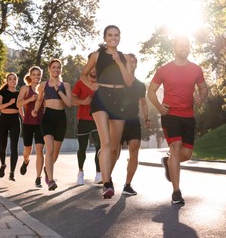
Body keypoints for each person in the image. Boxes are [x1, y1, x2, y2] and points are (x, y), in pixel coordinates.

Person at [147, 36, 208, 205]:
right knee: (176, 147)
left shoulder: (196, 69)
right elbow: (151, 91)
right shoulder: (164, 70)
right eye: (181, 45)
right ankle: (176, 192)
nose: (184, 48)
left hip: (188, 116)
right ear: (174, 48)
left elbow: (203, 88)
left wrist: (201, 97)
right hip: (170, 115)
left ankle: (168, 162)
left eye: (187, 45)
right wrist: (159, 107)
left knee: (186, 155)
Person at [80, 25, 134, 199]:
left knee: (114, 148)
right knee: (106, 142)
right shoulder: (97, 56)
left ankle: (106, 174)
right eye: (110, 35)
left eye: (116, 35)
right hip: (101, 97)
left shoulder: (125, 57)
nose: (113, 38)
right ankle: (107, 183)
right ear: (105, 38)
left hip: (119, 100)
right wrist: (90, 85)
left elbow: (129, 82)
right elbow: (83, 74)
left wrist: (119, 62)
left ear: (120, 37)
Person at [32, 59, 72, 191]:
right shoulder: (43, 85)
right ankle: (51, 180)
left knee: (55, 152)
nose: (56, 69)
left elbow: (69, 103)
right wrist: (35, 110)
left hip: (60, 119)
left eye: (58, 67)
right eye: (53, 67)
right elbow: (39, 100)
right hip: (47, 117)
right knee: (49, 149)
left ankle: (46, 169)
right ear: (49, 69)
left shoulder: (65, 85)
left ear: (61, 69)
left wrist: (58, 91)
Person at [117, 53, 151, 196]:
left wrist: (147, 118)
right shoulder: (118, 81)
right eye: (129, 61)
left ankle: (127, 184)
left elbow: (143, 103)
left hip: (133, 120)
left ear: (136, 64)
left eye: (134, 61)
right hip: (117, 120)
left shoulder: (139, 85)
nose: (132, 63)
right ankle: (106, 177)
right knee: (114, 153)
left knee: (134, 151)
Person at [72, 66, 102, 185]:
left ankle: (99, 173)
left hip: (97, 119)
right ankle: (80, 172)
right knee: (82, 147)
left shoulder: (102, 83)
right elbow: (72, 100)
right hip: (83, 119)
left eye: (96, 67)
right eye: (92, 67)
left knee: (99, 147)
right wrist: (83, 102)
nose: (94, 70)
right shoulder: (80, 83)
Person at [16, 66, 45, 188]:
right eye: (34, 74)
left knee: (39, 151)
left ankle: (38, 178)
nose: (36, 77)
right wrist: (29, 100)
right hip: (28, 123)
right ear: (30, 76)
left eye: (38, 75)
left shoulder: (43, 89)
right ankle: (26, 161)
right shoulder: (25, 88)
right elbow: (18, 104)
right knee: (27, 150)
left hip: (40, 124)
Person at [0, 72, 22, 182]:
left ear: (17, 81)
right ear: (7, 81)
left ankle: (12, 173)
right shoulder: (2, 93)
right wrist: (9, 102)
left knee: (14, 148)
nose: (12, 81)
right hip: (4, 120)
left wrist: (25, 119)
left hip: (15, 120)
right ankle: (3, 164)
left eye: (14, 79)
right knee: (2, 147)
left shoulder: (19, 94)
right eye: (10, 79)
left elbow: (20, 109)